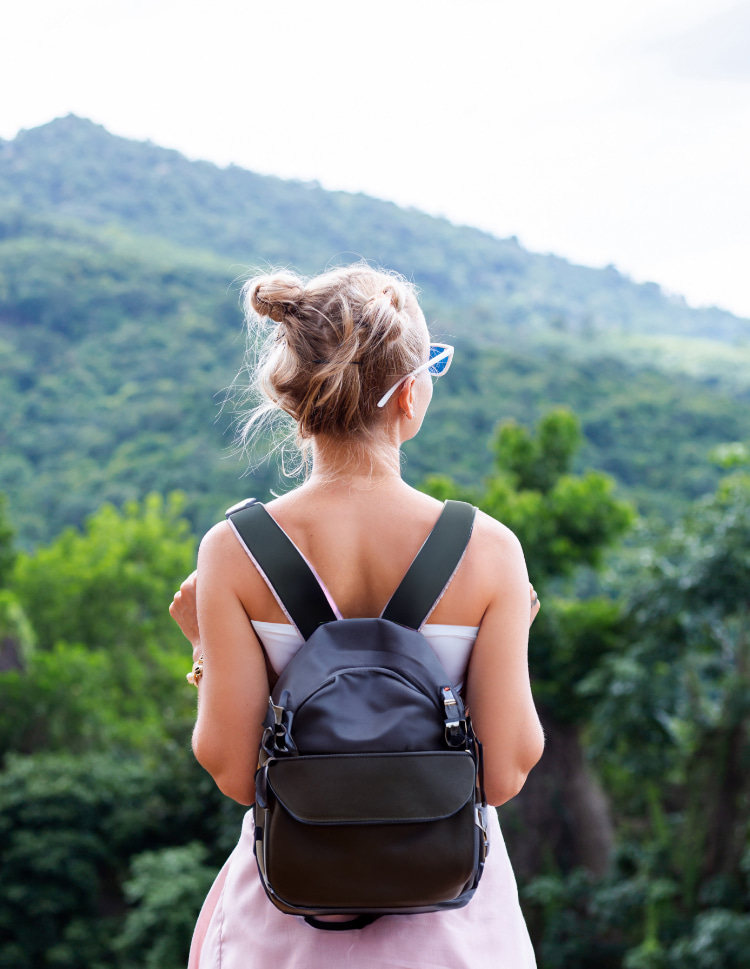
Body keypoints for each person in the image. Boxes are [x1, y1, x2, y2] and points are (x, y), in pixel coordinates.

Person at [169, 263, 545, 969]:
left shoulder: (232, 552)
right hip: (451, 928)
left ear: (296, 402)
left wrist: (202, 650)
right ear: (409, 394)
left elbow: (229, 767)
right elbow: (505, 772)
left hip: (288, 923)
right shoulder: (489, 549)